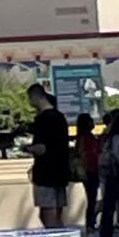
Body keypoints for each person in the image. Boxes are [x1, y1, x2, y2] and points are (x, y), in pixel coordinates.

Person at [27, 84, 71, 227]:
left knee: (47, 213)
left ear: (35, 96)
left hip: (45, 174)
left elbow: (41, 148)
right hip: (61, 172)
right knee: (57, 213)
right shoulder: (60, 118)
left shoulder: (42, 119)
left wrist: (27, 148)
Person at [75, 113, 101, 235]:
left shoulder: (87, 137)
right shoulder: (85, 137)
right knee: (91, 198)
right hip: (90, 170)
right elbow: (84, 154)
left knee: (92, 197)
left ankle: (91, 222)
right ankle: (90, 223)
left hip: (93, 169)